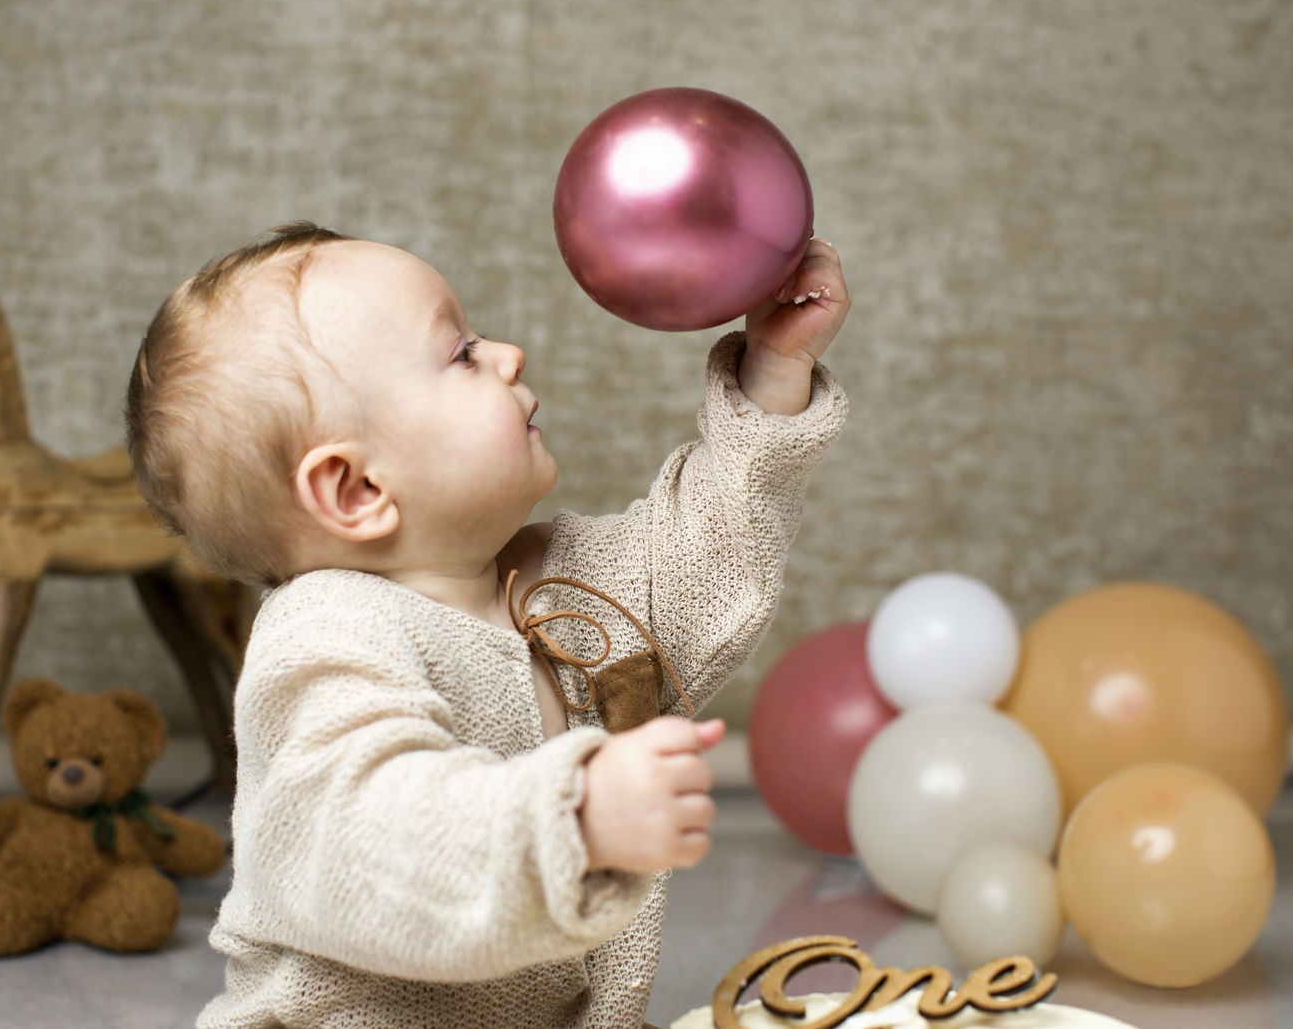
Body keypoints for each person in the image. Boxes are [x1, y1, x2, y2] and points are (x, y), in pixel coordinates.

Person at [124, 221, 850, 1029]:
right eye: (462, 353)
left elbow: (705, 563)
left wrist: (774, 373)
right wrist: (573, 818)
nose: (508, 355)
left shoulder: (560, 579)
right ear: (358, 487)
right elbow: (375, 838)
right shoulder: (325, 637)